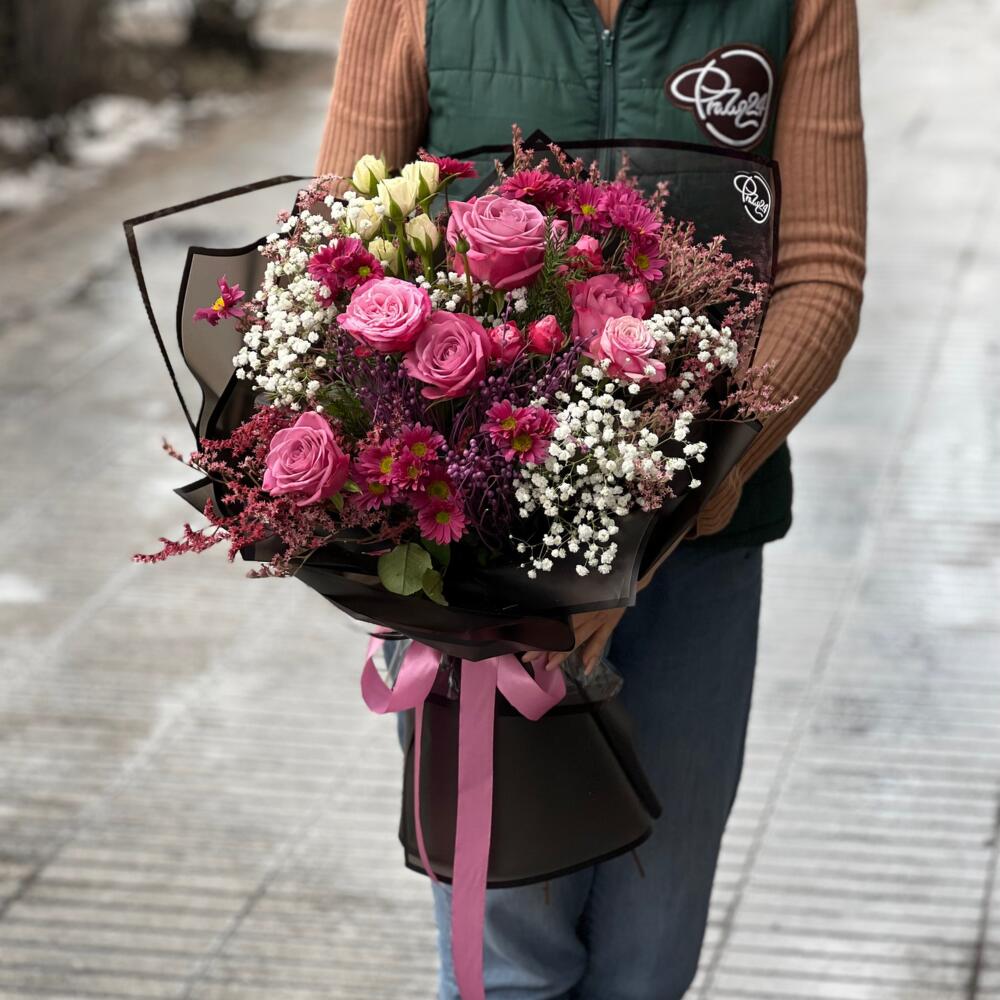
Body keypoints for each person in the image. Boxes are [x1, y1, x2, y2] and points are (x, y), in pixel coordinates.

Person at [317, 2, 866, 997]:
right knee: (510, 964)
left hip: (699, 549)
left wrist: (665, 504)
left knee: (647, 961)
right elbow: (337, 253)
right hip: (487, 577)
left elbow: (820, 274)